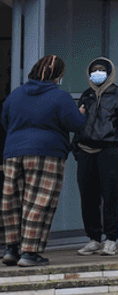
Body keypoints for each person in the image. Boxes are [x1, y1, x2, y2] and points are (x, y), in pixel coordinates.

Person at [1, 55, 85, 267]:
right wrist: (81, 113)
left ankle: (11, 249)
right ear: (57, 75)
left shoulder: (16, 94)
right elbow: (76, 124)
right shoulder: (60, 97)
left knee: (13, 202)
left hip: (13, 152)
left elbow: (4, 121)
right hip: (47, 153)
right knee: (39, 202)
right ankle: (29, 252)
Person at [72, 56, 118, 256]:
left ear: (109, 72)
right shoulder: (87, 94)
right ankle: (93, 238)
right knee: (88, 197)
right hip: (86, 151)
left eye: (101, 70)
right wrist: (76, 149)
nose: (97, 73)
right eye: (93, 70)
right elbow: (78, 121)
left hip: (109, 150)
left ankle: (111, 238)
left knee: (111, 196)